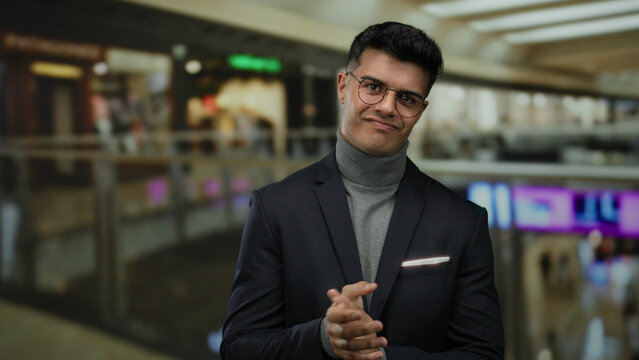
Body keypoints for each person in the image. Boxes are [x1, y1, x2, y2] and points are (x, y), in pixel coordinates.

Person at [221, 22, 504, 360]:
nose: (387, 107)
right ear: (343, 87)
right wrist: (323, 338)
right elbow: (239, 348)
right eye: (373, 86)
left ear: (420, 111)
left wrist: (381, 358)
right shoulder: (276, 208)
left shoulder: (462, 221)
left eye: (407, 98)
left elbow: (483, 354)